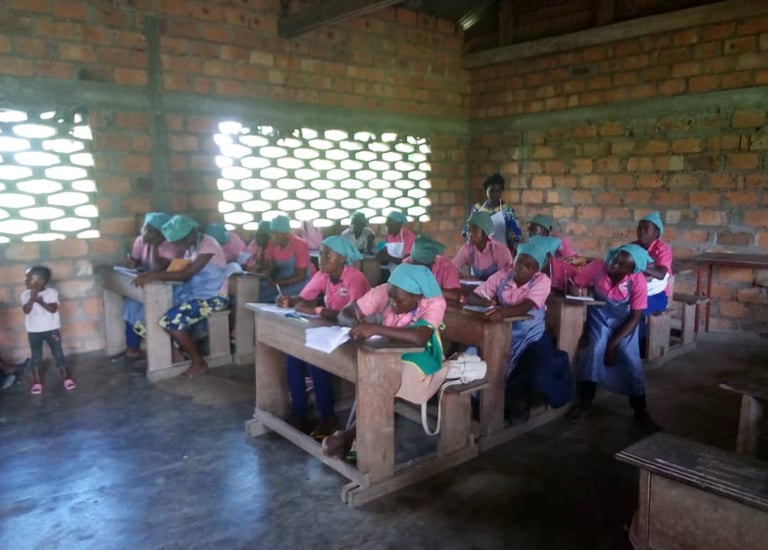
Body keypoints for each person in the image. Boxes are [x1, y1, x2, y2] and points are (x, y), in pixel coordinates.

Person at [322, 263, 447, 459]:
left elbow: (419, 337)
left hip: (421, 353)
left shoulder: (434, 302)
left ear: (418, 297)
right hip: (385, 347)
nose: (391, 303)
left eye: (398, 300)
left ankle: (350, 436)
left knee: (388, 381)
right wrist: (358, 324)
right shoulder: (386, 291)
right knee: (372, 374)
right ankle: (355, 438)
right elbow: (346, 312)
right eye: (390, 297)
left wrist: (375, 329)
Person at [276, 236, 371, 436]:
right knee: (293, 355)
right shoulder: (323, 275)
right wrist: (289, 300)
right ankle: (299, 414)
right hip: (332, 330)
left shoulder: (356, 278)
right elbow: (304, 298)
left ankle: (328, 418)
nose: (321, 258)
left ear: (343, 258)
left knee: (315, 358)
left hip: (357, 335)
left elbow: (353, 317)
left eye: (328, 254)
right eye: (320, 253)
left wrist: (318, 311)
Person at [566, 244, 657, 429]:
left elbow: (636, 317)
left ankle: (640, 411)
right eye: (615, 258)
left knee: (629, 357)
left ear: (632, 270)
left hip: (625, 323)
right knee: (594, 348)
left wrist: (613, 344)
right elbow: (575, 282)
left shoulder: (637, 280)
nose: (614, 264)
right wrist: (575, 289)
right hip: (599, 317)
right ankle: (585, 402)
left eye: (621, 264)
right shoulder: (598, 267)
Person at [132, 215, 229, 377]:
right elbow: (180, 271)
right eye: (175, 243)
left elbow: (186, 274)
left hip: (212, 298)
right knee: (142, 321)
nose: (178, 246)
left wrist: (155, 275)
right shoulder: (190, 247)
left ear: (191, 233)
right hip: (192, 295)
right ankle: (176, 354)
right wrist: (156, 272)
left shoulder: (208, 244)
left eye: (179, 242)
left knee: (171, 321)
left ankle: (199, 362)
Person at [466, 241, 552, 375]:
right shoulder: (503, 275)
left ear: (536, 270)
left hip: (530, 335)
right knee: (474, 352)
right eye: (519, 263)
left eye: (529, 266)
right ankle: (477, 393)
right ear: (514, 260)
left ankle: (504, 392)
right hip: (502, 330)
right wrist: (485, 303)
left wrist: (501, 313)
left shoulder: (542, 281)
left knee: (530, 367)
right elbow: (472, 297)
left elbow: (525, 307)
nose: (522, 268)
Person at [121, 212, 181, 359]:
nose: (144, 232)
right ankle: (132, 346)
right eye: (144, 228)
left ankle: (169, 348)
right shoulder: (140, 240)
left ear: (162, 233)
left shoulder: (170, 245)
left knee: (143, 309)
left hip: (168, 288)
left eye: (150, 230)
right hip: (148, 284)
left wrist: (154, 245)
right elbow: (135, 261)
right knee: (129, 304)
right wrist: (131, 263)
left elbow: (158, 269)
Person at [22, 266, 75, 394]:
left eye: (28, 279)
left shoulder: (52, 293)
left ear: (39, 281)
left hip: (52, 330)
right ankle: (37, 382)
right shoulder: (25, 294)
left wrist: (39, 301)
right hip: (34, 331)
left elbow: (53, 309)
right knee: (36, 356)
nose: (25, 281)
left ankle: (66, 378)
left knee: (58, 353)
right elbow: (26, 310)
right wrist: (31, 299)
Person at [257, 215, 313, 303]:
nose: (271, 236)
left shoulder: (300, 245)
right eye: (271, 232)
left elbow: (301, 275)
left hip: (299, 283)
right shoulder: (272, 243)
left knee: (280, 299)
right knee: (258, 291)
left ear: (285, 234)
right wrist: (268, 276)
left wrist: (278, 282)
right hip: (281, 281)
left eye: (274, 233)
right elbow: (270, 267)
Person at [462, 173, 522, 251]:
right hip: (480, 252)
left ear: (501, 192)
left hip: (501, 252)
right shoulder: (477, 209)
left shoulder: (507, 210)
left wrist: (511, 236)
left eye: (498, 191)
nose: (494, 194)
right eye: (491, 191)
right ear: (486, 190)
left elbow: (516, 234)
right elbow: (466, 231)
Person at [453, 212, 513, 281]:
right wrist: (458, 275)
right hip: (477, 289)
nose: (470, 235)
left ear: (485, 234)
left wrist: (478, 279)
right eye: (469, 231)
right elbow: (452, 267)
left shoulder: (501, 251)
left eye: (475, 231)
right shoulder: (468, 248)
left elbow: (505, 279)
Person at [634, 211, 673, 317]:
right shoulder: (633, 247)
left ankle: (640, 333)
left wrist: (639, 266)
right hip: (635, 291)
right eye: (639, 228)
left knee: (635, 308)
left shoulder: (662, 249)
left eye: (646, 229)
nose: (641, 232)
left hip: (656, 295)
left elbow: (661, 274)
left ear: (656, 233)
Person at [405, 235, 461, 302]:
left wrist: (425, 288)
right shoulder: (407, 264)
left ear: (432, 263)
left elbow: (454, 295)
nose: (416, 270)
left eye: (420, 267)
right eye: (413, 265)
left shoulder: (446, 267)